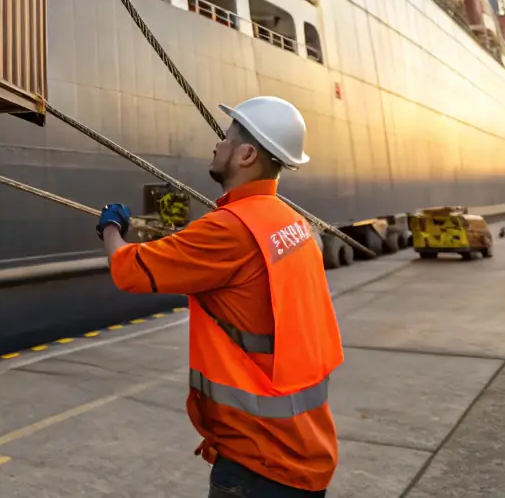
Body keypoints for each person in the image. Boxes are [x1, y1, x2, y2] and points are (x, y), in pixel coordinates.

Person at [97, 96, 343, 498]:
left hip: (258, 466)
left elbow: (129, 270)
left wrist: (110, 226)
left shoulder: (230, 230)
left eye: (225, 137)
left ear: (246, 154)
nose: (217, 145)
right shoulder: (293, 224)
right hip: (304, 447)